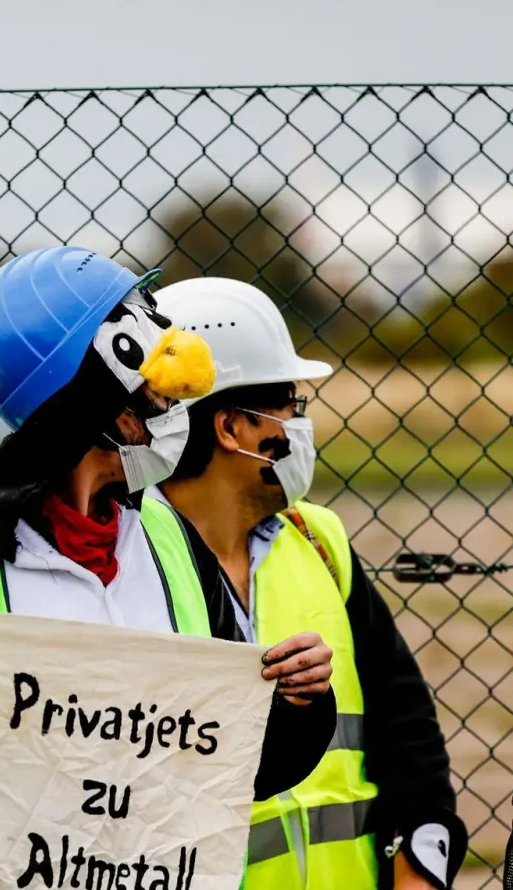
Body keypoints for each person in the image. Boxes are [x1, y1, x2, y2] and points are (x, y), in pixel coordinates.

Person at [0, 246, 339, 827]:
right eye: (154, 394)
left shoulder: (170, 538)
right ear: (88, 400)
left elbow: (245, 764)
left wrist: (298, 700)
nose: (173, 412)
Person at [154, 276, 466, 890]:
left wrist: (418, 872)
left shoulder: (318, 541)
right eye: (289, 406)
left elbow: (406, 729)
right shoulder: (126, 565)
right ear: (231, 427)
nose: (299, 425)